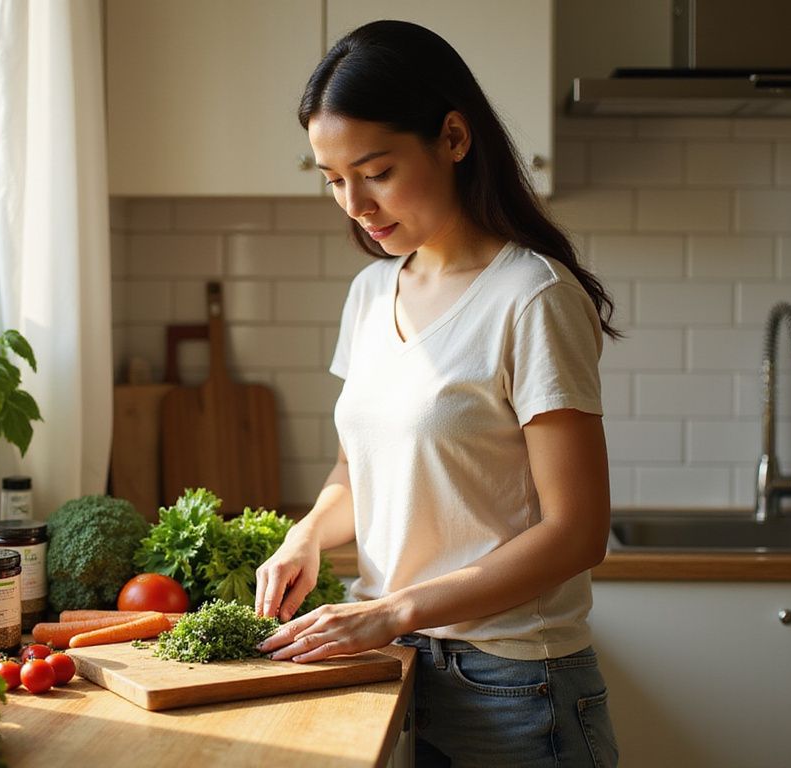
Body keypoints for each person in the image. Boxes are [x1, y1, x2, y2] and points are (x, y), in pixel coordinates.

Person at [254, 19, 620, 767]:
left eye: (376, 170)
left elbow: (578, 531)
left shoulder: (532, 296)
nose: (354, 202)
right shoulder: (369, 291)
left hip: (514, 685)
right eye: (332, 178)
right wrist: (307, 536)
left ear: (454, 137)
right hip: (394, 665)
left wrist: (393, 610)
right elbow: (358, 471)